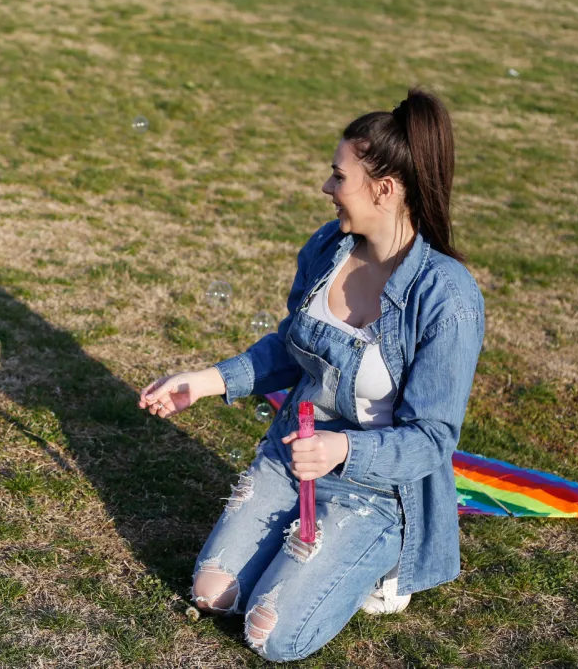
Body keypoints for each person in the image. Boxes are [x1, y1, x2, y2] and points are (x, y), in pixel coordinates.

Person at [138, 88, 484, 662]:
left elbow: (433, 439)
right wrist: (204, 381)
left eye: (337, 176)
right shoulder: (328, 248)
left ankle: (385, 559)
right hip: (290, 457)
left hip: (375, 489)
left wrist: (342, 448)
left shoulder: (447, 296)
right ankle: (305, 552)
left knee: (270, 634)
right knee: (212, 593)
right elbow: (290, 348)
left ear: (385, 189)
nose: (326, 188)